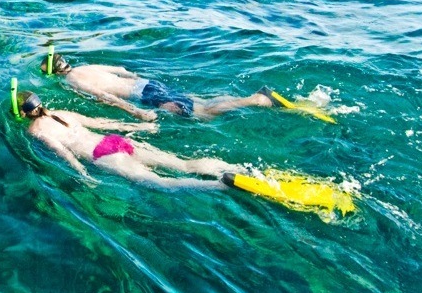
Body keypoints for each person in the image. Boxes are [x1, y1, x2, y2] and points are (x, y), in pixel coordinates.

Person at [15, 90, 241, 190]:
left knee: (163, 184)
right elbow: (102, 123)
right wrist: (137, 126)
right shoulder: (62, 113)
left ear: (22, 113)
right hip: (114, 141)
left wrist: (82, 174)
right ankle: (234, 168)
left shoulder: (35, 130)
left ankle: (219, 186)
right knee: (184, 164)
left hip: (102, 156)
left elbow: (63, 152)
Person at [40, 51, 274, 121]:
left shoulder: (73, 81)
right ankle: (246, 98)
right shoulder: (86, 66)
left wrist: (137, 112)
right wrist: (136, 80)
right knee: (199, 101)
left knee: (201, 115)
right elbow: (122, 70)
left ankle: (255, 100)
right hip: (147, 83)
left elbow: (105, 97)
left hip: (143, 96)